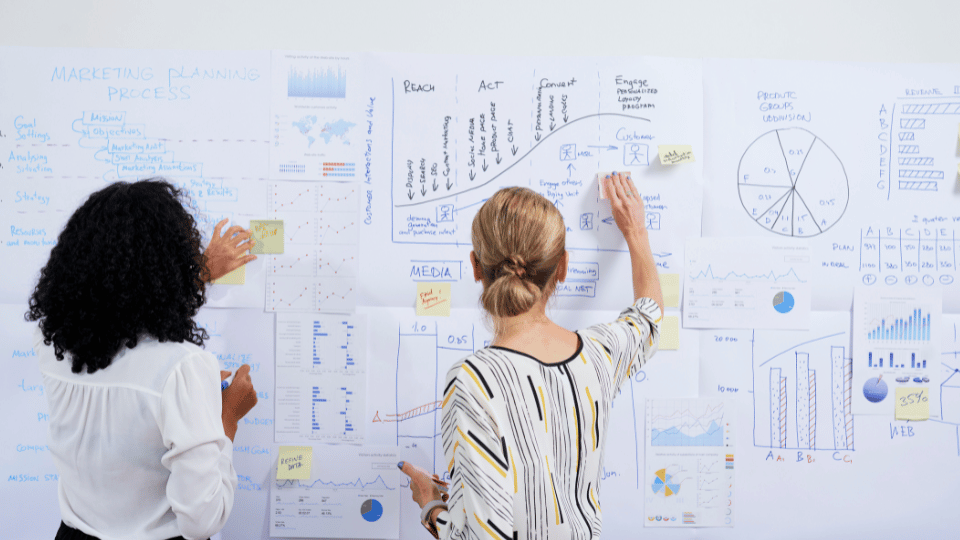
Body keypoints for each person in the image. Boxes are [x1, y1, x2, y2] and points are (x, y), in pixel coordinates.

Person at [400, 172, 662, 539]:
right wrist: (635, 231)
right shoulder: (599, 355)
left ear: (475, 267)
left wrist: (431, 507)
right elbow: (649, 317)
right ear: (564, 266)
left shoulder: (473, 380)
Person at [27, 178, 260, 540]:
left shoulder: (52, 343)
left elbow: (122, 313)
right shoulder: (182, 369)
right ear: (170, 265)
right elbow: (201, 521)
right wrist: (227, 415)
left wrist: (198, 276)